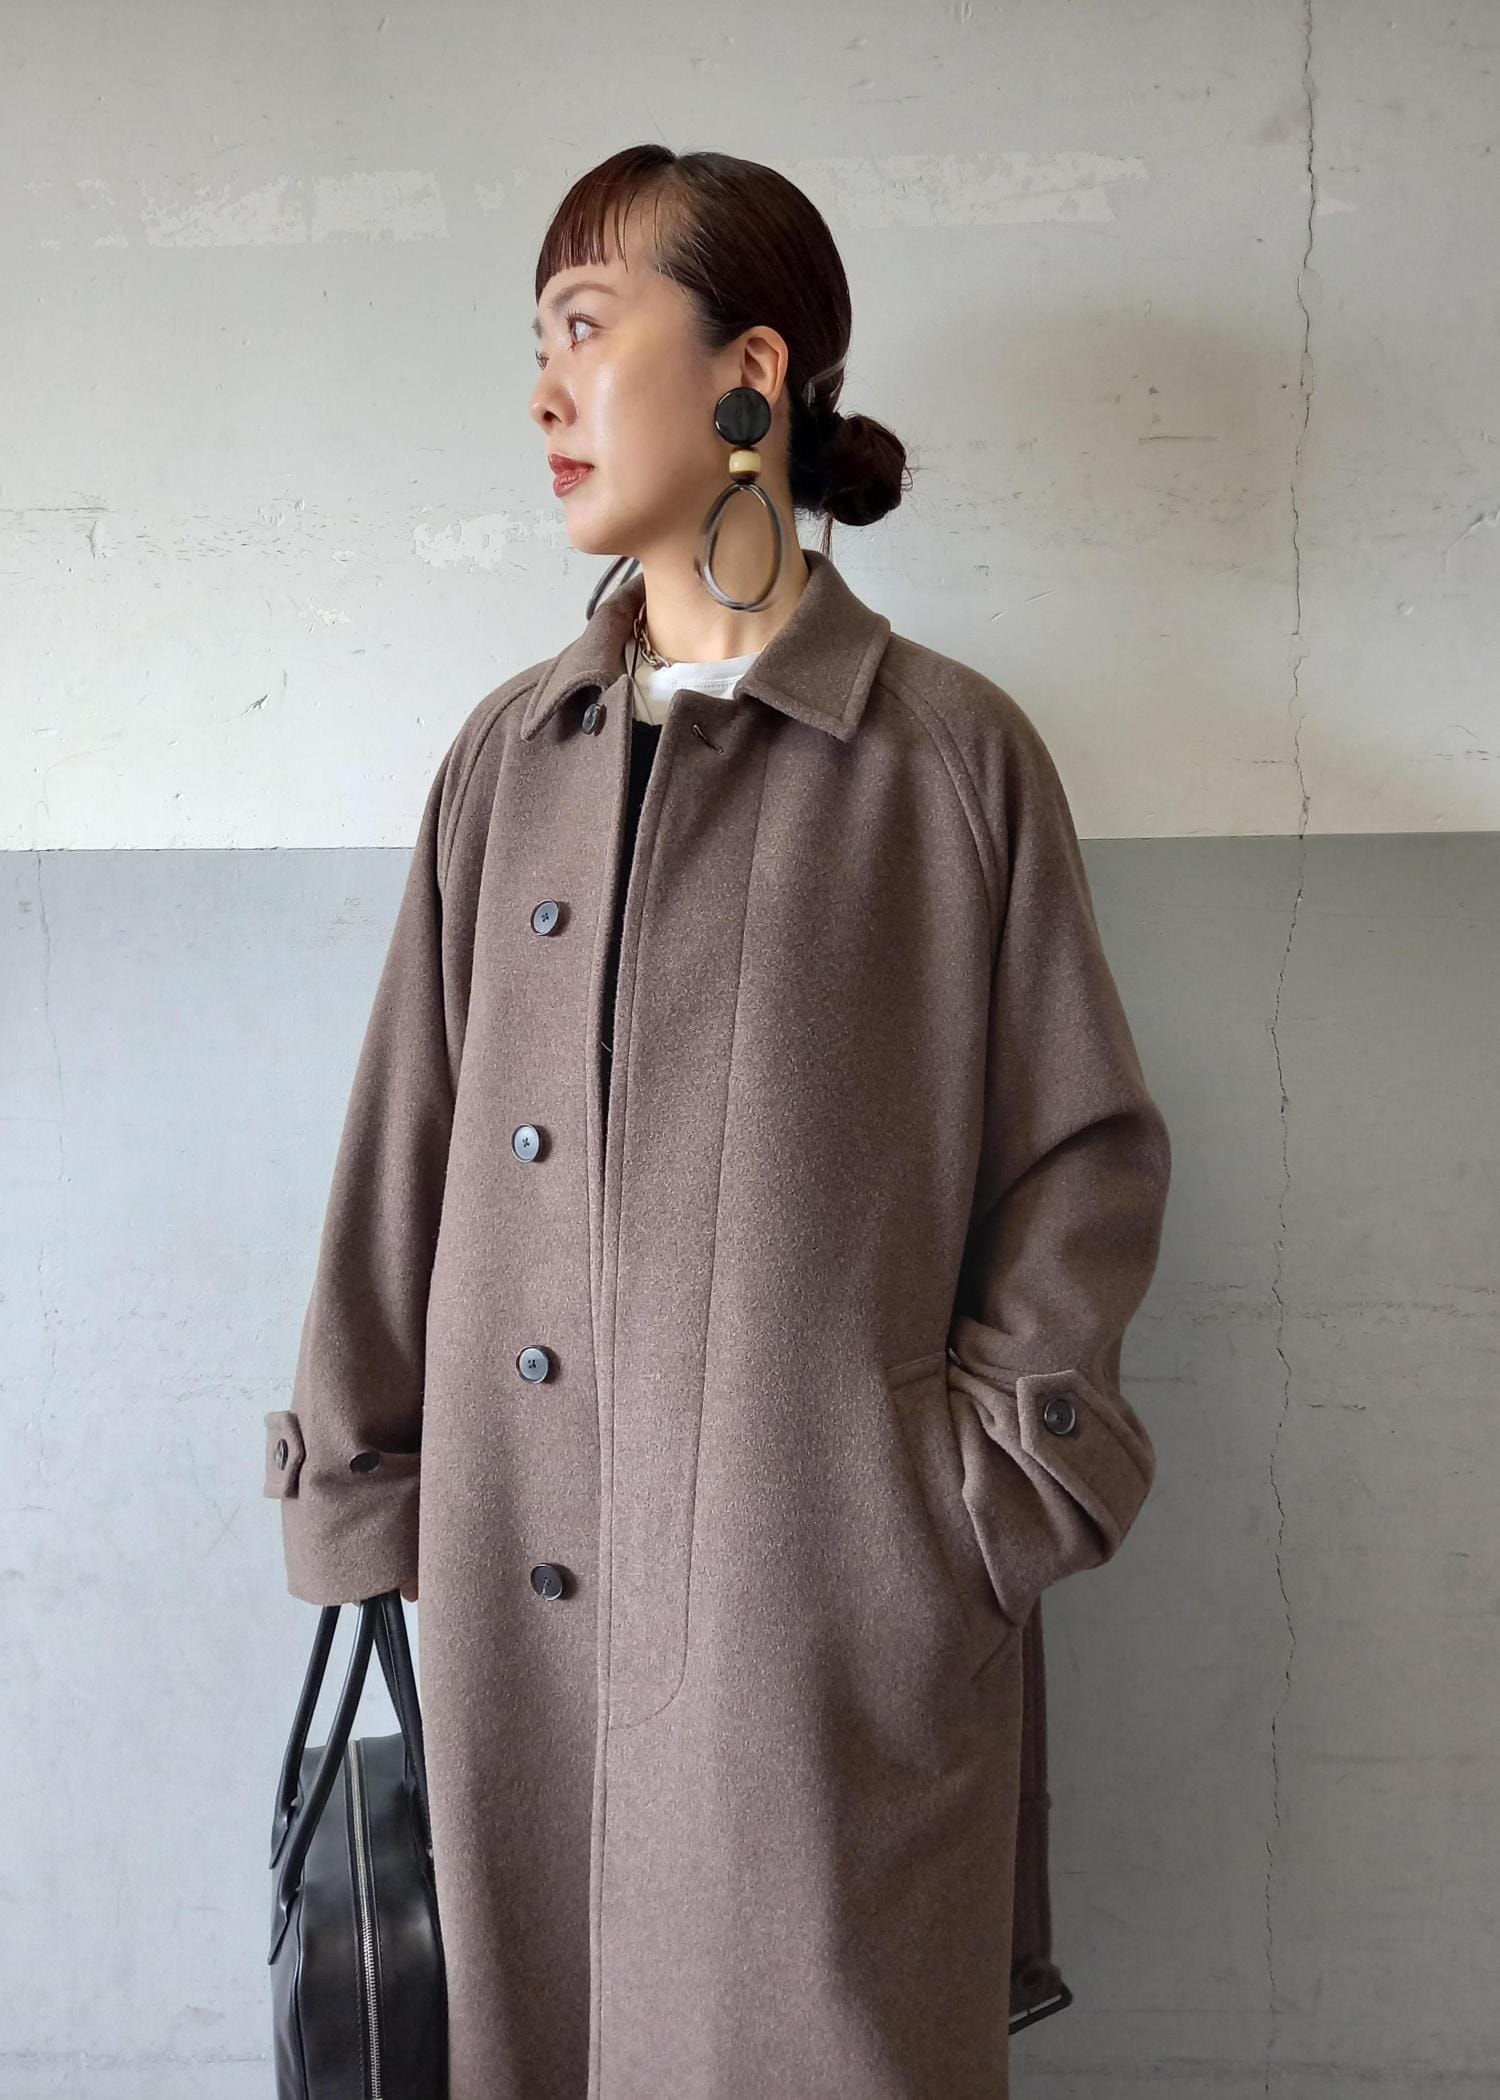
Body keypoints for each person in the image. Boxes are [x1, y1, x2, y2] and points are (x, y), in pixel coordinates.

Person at [264, 144, 1172, 2100]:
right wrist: (362, 1489)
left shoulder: (946, 759)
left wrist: (965, 1504)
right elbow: (405, 1147)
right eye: (536, 342)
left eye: (588, 329)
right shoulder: (512, 758)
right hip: (518, 1627)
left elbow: (1082, 1160)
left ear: (751, 372)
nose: (545, 391)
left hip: (823, 1627)